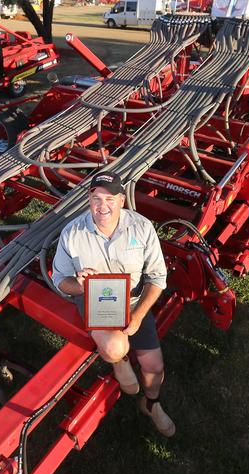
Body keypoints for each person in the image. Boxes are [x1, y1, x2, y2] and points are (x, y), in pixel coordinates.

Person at [52, 171, 175, 437]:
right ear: (88, 199)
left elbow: (157, 277)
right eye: (96, 198)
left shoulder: (141, 228)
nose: (102, 206)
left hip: (132, 301)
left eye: (109, 199)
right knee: (115, 346)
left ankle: (152, 404)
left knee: (154, 367)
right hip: (96, 300)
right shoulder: (72, 233)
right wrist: (80, 285)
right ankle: (118, 361)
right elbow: (60, 278)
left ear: (122, 201)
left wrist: (139, 315)